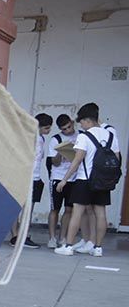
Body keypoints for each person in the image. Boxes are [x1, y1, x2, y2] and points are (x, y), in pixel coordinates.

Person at [54, 102, 120, 258]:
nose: (81, 125)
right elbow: (116, 159)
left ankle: (68, 246)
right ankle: (97, 248)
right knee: (101, 214)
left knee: (77, 212)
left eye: (82, 122)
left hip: (84, 179)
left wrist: (64, 179)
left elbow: (77, 160)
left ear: (87, 120)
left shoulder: (85, 136)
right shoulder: (111, 135)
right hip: (103, 181)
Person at [13, 113, 52, 248]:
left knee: (24, 208)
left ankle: (18, 235)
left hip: (33, 176)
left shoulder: (40, 138)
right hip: (27, 177)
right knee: (25, 209)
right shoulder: (31, 138)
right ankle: (19, 236)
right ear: (38, 127)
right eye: (46, 128)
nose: (49, 131)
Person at [46, 113, 77, 248]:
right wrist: (61, 151)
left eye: (69, 127)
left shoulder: (80, 136)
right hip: (58, 178)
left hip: (74, 178)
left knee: (69, 209)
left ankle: (62, 237)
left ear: (72, 123)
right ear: (60, 129)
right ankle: (52, 237)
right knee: (55, 209)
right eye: (64, 129)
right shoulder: (56, 139)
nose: (68, 130)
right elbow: (55, 162)